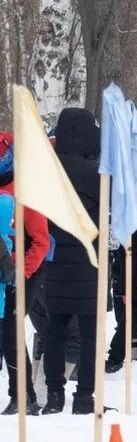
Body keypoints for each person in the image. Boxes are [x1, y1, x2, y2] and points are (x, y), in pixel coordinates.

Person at [41, 109, 102, 414]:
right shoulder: (96, 173)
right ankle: (84, 396)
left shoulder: (47, 170)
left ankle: (54, 393)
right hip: (88, 262)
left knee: (53, 333)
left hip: (53, 264)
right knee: (91, 336)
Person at [0, 133, 47, 416]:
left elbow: (40, 240)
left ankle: (24, 396)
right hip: (3, 272)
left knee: (12, 333)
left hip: (27, 269)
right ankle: (20, 393)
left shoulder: (26, 192)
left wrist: (23, 272)